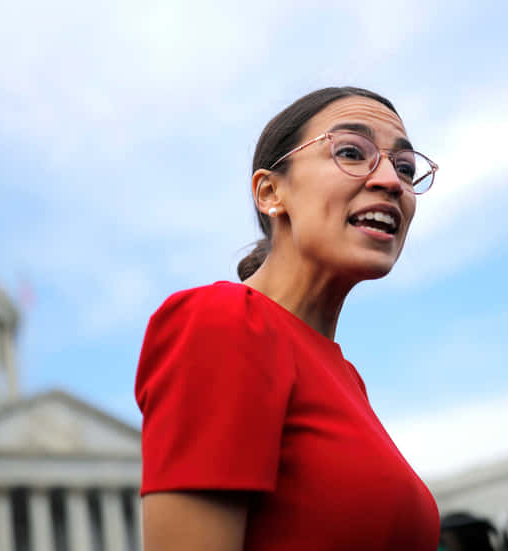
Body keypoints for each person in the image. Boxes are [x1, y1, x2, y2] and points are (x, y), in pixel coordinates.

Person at [135, 87, 441, 550]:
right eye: (351, 153)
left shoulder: (347, 379)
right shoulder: (223, 321)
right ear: (270, 192)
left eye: (405, 168)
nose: (391, 181)